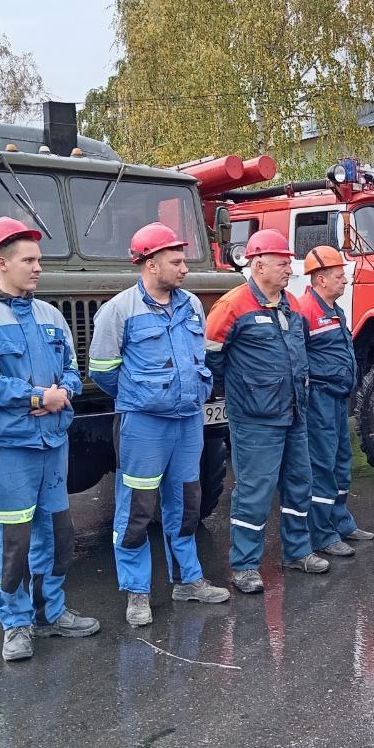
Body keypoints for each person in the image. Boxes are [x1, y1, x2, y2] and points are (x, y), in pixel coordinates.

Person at [0, 217, 100, 662]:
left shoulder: (50, 315)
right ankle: (16, 624)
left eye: (39, 260)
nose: (38, 268)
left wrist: (64, 394)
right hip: (10, 448)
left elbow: (74, 371)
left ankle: (51, 613)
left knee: (57, 534)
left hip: (52, 444)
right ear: (1, 264)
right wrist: (40, 396)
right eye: (29, 260)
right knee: (13, 540)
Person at [88, 223, 230, 627]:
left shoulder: (190, 306)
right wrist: (142, 397)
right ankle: (137, 592)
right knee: (137, 508)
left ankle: (188, 581)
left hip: (187, 421)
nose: (185, 268)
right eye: (177, 261)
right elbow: (103, 370)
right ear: (152, 264)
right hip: (143, 425)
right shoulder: (118, 311)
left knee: (187, 502)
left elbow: (196, 357)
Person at [204, 228, 329, 594]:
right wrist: (245, 390)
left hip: (294, 413)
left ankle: (297, 551)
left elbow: (298, 350)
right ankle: (244, 566)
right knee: (255, 492)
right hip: (256, 419)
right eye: (282, 262)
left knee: (299, 484)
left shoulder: (288, 302)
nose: (289, 268)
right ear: (258, 264)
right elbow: (211, 359)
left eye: (288, 262)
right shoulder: (233, 305)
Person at [296, 245, 374, 555]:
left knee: (342, 463)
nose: (345, 281)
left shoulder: (334, 310)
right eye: (339, 276)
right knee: (323, 466)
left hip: (338, 399)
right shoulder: (306, 311)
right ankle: (322, 534)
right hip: (318, 401)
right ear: (320, 279)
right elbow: (297, 359)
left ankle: (341, 522)